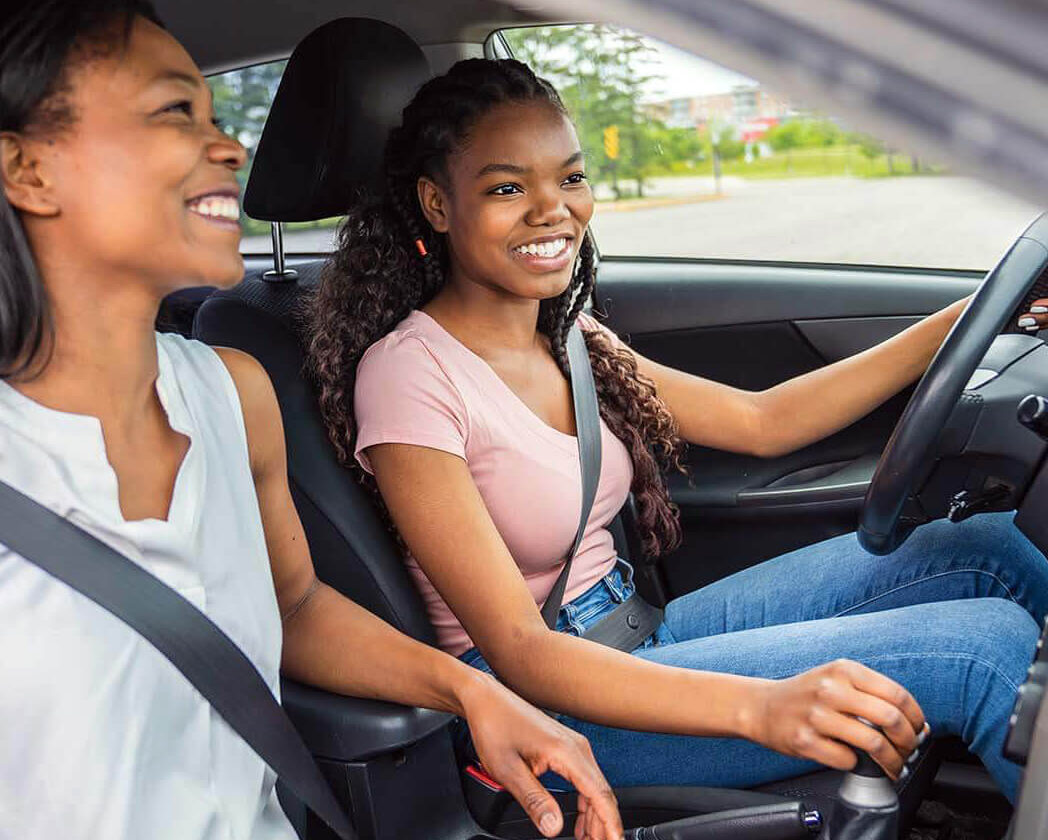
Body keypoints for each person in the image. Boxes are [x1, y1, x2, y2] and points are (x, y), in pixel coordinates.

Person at [0, 7, 625, 840]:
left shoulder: (232, 391)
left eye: (216, 118)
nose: (228, 147)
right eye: (174, 113)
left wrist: (472, 691)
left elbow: (293, 609)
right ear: (26, 168)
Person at [307, 57, 1048, 802]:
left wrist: (979, 315)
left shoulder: (571, 336)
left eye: (569, 178)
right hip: (547, 707)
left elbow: (765, 420)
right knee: (981, 650)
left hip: (638, 633)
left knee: (980, 548)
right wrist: (759, 707)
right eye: (507, 187)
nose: (552, 210)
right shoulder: (408, 375)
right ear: (437, 204)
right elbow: (523, 652)